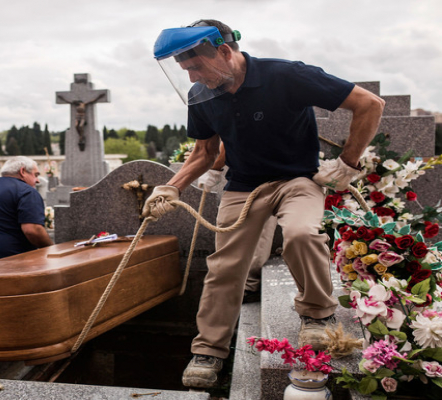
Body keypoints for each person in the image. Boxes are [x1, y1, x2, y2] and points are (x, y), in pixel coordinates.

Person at [144, 19, 385, 388]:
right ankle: (209, 349)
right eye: (184, 70)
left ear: (224, 51)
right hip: (243, 186)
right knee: (225, 265)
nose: (192, 77)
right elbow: (204, 151)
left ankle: (318, 316)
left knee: (302, 233)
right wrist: (171, 187)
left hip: (298, 179)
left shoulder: (287, 75)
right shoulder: (201, 95)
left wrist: (347, 163)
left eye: (195, 66)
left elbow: (369, 104)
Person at [200, 140, 278, 303]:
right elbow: (227, 141)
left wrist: (214, 170)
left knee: (260, 235)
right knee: (228, 234)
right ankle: (231, 285)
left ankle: (248, 287)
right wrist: (213, 171)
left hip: (269, 181)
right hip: (240, 182)